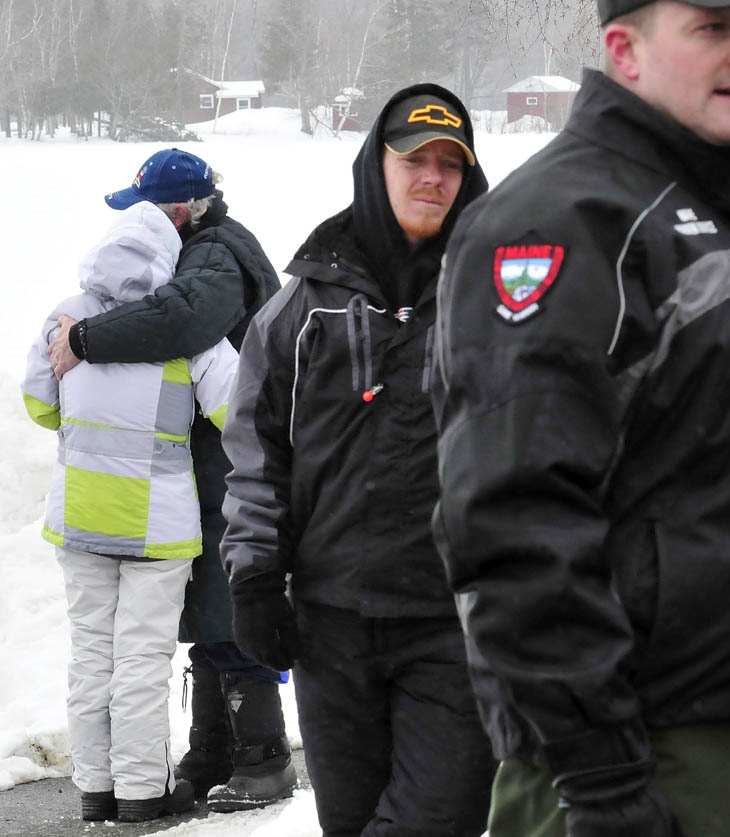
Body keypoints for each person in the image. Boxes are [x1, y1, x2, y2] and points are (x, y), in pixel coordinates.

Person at [432, 1, 730, 836]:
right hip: (640, 752)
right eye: (713, 28)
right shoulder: (557, 220)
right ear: (624, 50)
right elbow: (512, 518)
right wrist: (601, 776)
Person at [220, 83, 496, 836]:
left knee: (440, 817)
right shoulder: (307, 304)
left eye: (450, 163)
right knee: (348, 821)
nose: (432, 177)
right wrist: (255, 578)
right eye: (414, 159)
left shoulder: (501, 293)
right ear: (376, 165)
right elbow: (258, 449)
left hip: (456, 620)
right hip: (332, 619)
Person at [45, 147, 295, 813]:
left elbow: (182, 321)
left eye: (145, 212)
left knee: (232, 600)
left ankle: (262, 757)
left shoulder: (214, 254)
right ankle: (213, 750)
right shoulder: (205, 248)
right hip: (209, 460)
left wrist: (86, 340)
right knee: (211, 604)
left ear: (177, 212)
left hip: (233, 461)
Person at [21, 200, 239, 823]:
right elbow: (238, 408)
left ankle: (95, 789)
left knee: (90, 655)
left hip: (80, 516)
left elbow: (39, 403)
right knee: (142, 659)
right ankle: (143, 791)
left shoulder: (65, 316)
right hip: (157, 526)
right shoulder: (182, 330)